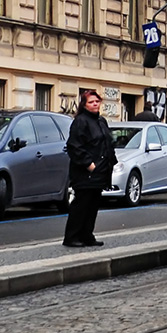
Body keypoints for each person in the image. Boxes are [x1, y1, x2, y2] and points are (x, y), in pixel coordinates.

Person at [64, 88, 116, 247]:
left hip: (101, 170)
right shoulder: (80, 121)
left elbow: (107, 143)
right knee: (81, 204)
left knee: (93, 204)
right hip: (85, 172)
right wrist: (89, 164)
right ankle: (72, 236)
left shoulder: (101, 121)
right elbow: (74, 146)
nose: (95, 104)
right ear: (84, 105)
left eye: (97, 101)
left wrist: (112, 162)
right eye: (91, 102)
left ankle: (87, 235)